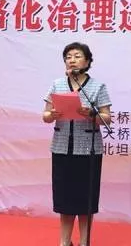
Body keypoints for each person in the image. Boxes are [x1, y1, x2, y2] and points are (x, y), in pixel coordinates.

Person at [42, 42, 112, 246]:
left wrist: (90, 114)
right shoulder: (57, 84)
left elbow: (107, 118)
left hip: (88, 149)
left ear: (87, 61)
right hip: (61, 148)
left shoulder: (97, 86)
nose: (72, 60)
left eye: (77, 56)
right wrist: (52, 114)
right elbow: (45, 116)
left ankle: (84, 242)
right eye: (68, 57)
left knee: (85, 200)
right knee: (64, 200)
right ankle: (64, 242)